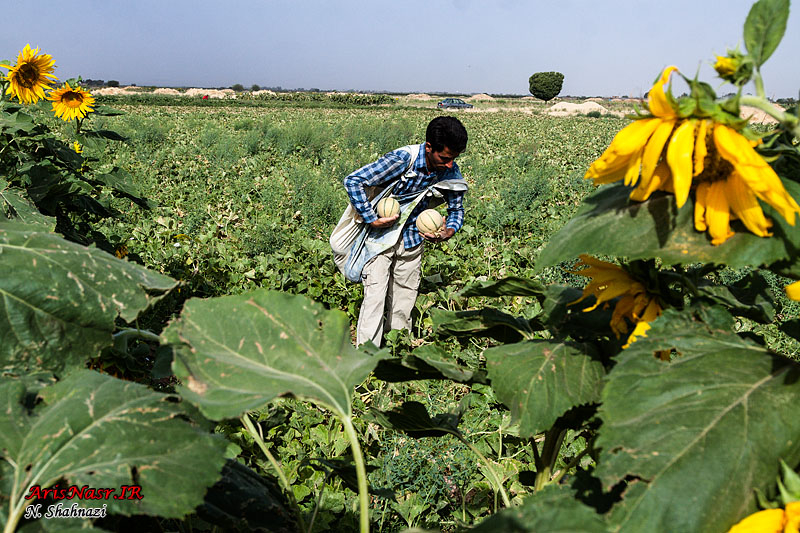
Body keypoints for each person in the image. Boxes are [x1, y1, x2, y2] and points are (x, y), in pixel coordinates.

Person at [342, 116, 469, 347]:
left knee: (405, 295)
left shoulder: (450, 170)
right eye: (446, 158)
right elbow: (353, 180)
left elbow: (457, 208)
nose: (451, 164)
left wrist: (448, 231)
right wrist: (372, 219)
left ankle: (398, 345)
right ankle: (367, 355)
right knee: (375, 295)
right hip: (379, 239)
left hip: (411, 239)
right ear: (429, 147)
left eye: (455, 159)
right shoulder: (402, 160)